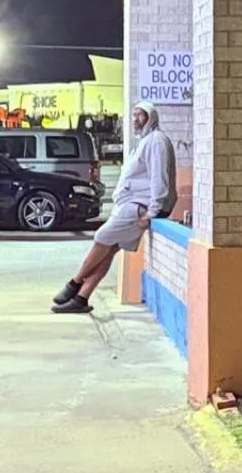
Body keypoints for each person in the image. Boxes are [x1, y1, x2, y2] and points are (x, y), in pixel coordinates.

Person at [50, 100, 176, 314]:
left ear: (151, 117)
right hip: (132, 204)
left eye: (141, 115)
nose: (136, 119)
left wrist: (152, 212)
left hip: (140, 207)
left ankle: (74, 283)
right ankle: (82, 298)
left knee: (101, 239)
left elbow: (159, 179)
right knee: (108, 252)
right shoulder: (144, 141)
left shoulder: (156, 141)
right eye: (134, 114)